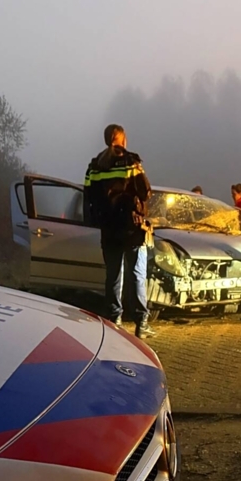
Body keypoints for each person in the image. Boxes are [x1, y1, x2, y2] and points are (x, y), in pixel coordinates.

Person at [84, 124, 156, 339]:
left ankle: (114, 320)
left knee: (113, 276)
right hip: (131, 228)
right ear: (122, 140)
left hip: (109, 229)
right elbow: (145, 192)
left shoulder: (95, 165)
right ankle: (141, 323)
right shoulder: (131, 161)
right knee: (137, 276)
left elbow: (88, 195)